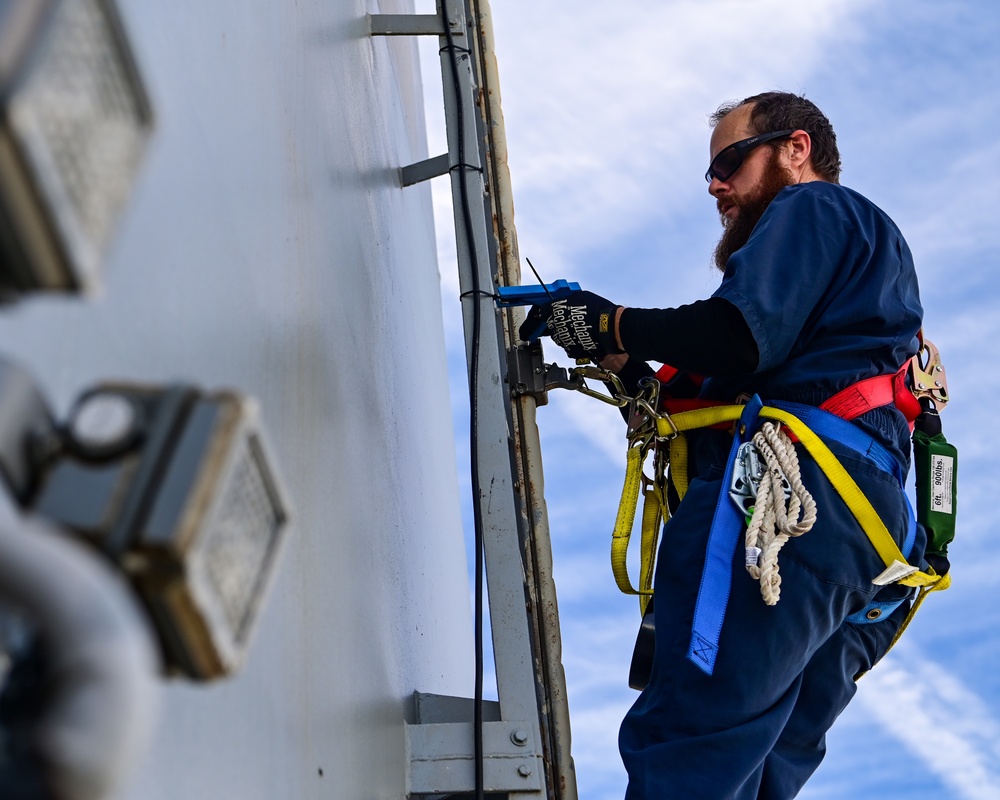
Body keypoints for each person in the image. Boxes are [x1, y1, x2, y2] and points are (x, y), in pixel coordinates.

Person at [524, 92, 928, 798]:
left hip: (793, 500)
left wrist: (610, 321)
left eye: (732, 162)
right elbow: (722, 384)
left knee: (691, 745)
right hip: (862, 538)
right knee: (756, 767)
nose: (716, 186)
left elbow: (735, 333)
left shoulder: (816, 209)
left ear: (795, 149)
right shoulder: (861, 289)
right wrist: (623, 362)